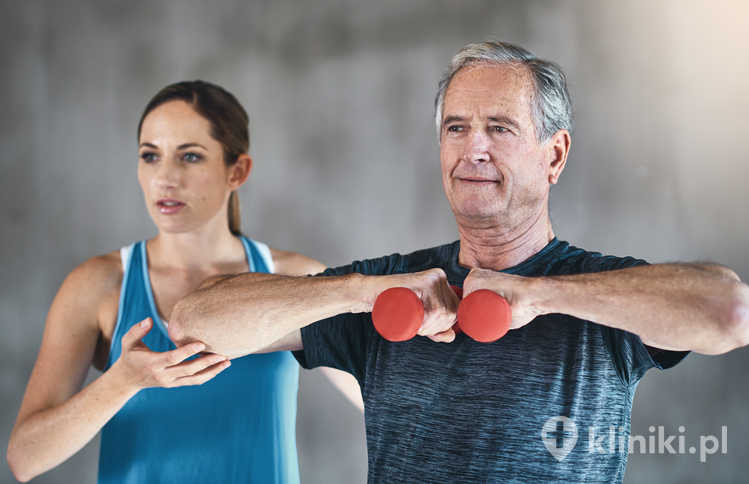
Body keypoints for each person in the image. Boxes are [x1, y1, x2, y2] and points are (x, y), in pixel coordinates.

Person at [168, 42, 749, 483]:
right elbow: (195, 323)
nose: (473, 148)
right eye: (456, 128)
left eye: (499, 127)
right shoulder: (392, 284)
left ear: (555, 155)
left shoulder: (603, 289)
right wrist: (360, 292)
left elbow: (730, 312)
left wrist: (538, 296)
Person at [6, 80, 362, 483]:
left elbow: (384, 399)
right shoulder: (99, 286)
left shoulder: (295, 278)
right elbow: (25, 458)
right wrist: (122, 381)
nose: (165, 178)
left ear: (237, 170)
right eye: (150, 156)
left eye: (190, 156)